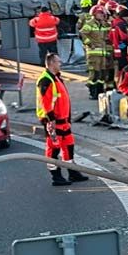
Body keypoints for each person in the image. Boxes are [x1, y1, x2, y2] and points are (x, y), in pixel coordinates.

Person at [36, 53, 89, 186]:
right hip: (53, 121)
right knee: (53, 149)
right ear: (52, 63)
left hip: (63, 121)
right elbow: (46, 102)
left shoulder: (56, 78)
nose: (60, 64)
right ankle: (56, 176)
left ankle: (72, 172)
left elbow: (63, 101)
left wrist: (68, 118)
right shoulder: (46, 80)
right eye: (58, 62)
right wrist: (51, 120)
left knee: (68, 146)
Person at [79, 6, 112, 99]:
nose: (102, 15)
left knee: (102, 74)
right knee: (94, 74)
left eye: (103, 13)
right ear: (94, 14)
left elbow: (109, 33)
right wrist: (89, 43)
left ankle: (100, 92)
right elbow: (82, 34)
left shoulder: (104, 24)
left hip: (102, 53)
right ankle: (92, 93)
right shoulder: (89, 24)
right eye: (100, 13)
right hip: (93, 54)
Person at [109, 5, 128, 76]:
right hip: (121, 51)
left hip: (115, 50)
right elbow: (124, 38)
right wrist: (126, 48)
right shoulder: (121, 24)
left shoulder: (113, 23)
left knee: (117, 70)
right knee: (123, 69)